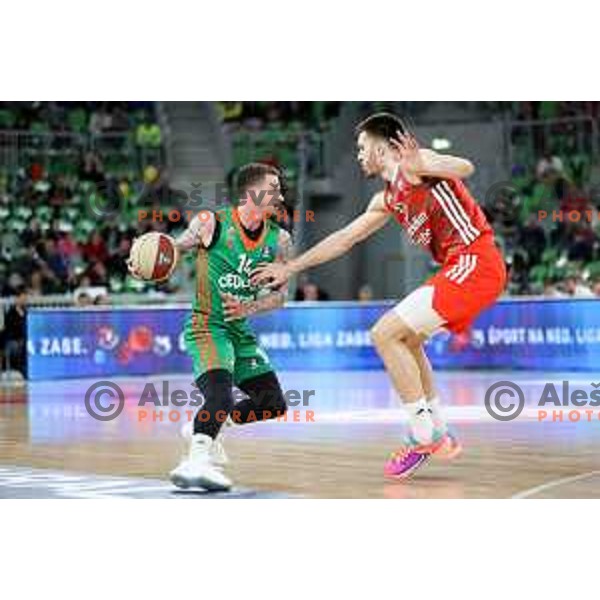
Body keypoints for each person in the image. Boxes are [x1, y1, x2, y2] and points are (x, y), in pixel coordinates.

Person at [252, 112, 507, 480]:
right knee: (409, 339)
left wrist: (427, 161)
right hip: (463, 269)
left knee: (383, 333)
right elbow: (344, 238)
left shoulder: (416, 166)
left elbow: (465, 166)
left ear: (381, 145)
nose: (358, 155)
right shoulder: (386, 199)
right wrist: (290, 268)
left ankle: (423, 435)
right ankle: (437, 429)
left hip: (476, 262)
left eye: (361, 147)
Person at [129, 162, 292, 491]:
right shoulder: (210, 223)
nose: (281, 196)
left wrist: (250, 306)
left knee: (273, 403)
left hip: (238, 330)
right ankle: (195, 463)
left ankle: (204, 426)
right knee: (220, 395)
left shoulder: (280, 240)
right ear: (252, 192)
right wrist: (143, 263)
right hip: (207, 326)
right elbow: (172, 251)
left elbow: (279, 298)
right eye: (274, 189)